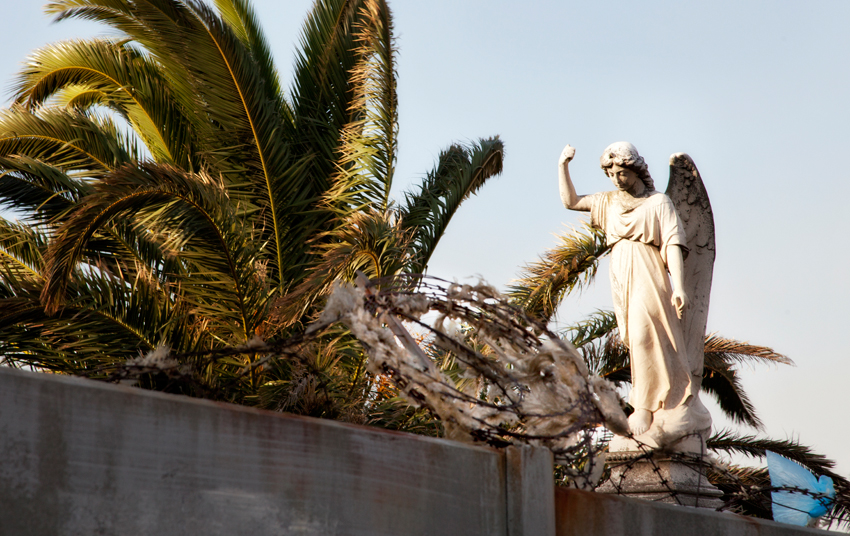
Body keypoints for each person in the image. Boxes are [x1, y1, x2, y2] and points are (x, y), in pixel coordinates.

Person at [558, 142, 692, 436]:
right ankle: (648, 400)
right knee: (634, 337)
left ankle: (646, 405)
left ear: (636, 169)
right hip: (620, 270)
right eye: (612, 174)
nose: (617, 179)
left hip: (648, 268)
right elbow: (571, 201)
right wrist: (563, 166)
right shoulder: (609, 201)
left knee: (647, 333)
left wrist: (679, 286)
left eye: (622, 173)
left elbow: (672, 243)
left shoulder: (658, 202)